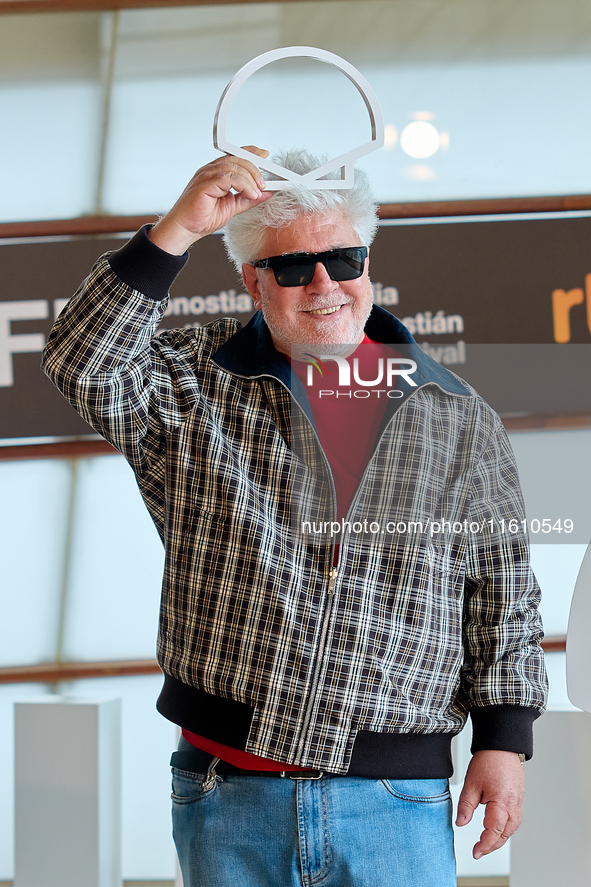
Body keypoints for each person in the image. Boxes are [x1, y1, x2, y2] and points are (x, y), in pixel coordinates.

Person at [43, 146, 548, 887]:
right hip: (227, 794)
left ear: (367, 260)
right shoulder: (188, 384)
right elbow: (81, 361)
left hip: (394, 800)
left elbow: (501, 590)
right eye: (291, 267)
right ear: (252, 279)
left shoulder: (456, 415)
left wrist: (503, 740)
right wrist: (177, 228)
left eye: (343, 258)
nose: (324, 283)